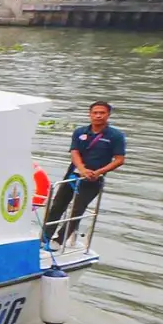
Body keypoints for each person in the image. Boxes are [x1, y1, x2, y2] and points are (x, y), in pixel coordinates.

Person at [45, 101, 126, 248]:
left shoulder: (116, 136)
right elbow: (74, 152)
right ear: (90, 114)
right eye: (95, 113)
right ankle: (45, 236)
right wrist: (82, 169)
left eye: (102, 113)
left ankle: (59, 240)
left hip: (94, 178)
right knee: (57, 205)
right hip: (74, 174)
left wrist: (98, 172)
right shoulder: (80, 132)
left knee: (78, 208)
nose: (98, 116)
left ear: (108, 115)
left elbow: (119, 160)